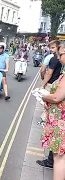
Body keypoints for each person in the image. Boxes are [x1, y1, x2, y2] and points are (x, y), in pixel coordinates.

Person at [40, 43, 65, 180]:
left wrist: (43, 95)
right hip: (59, 121)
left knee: (59, 158)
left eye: (60, 55)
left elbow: (57, 97)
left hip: (62, 124)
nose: (58, 58)